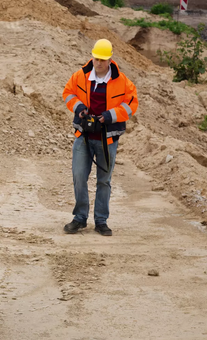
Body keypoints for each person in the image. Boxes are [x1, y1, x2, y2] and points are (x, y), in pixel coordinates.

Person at [62, 39, 138, 236]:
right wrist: (79, 107)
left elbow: (131, 104)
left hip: (107, 139)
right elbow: (68, 93)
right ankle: (80, 218)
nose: (99, 63)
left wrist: (108, 116)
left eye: (103, 60)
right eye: (96, 59)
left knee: (104, 181)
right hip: (84, 136)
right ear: (92, 57)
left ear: (110, 59)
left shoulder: (122, 81)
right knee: (79, 176)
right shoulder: (81, 76)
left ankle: (101, 220)